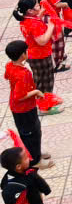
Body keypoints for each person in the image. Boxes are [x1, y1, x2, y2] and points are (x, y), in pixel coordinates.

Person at [5, 41, 50, 169]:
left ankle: (36, 153)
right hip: (24, 109)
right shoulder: (22, 74)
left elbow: (7, 76)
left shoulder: (10, 65)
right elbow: (19, 96)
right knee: (31, 134)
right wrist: (35, 92)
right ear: (22, 55)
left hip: (19, 108)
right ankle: (35, 161)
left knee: (32, 132)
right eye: (26, 50)